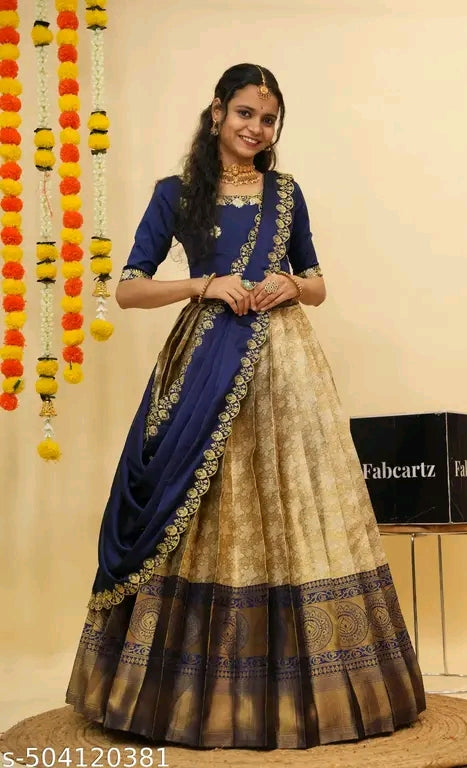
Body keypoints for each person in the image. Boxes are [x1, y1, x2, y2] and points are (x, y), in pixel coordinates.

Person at [66, 63, 425, 749]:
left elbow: (317, 282)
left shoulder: (286, 193)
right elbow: (129, 289)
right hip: (206, 362)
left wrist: (292, 285)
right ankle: (193, 692)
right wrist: (203, 285)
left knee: (296, 504)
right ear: (217, 113)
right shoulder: (177, 193)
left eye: (268, 119)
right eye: (245, 114)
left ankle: (305, 689)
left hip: (287, 367)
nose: (256, 129)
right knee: (211, 505)